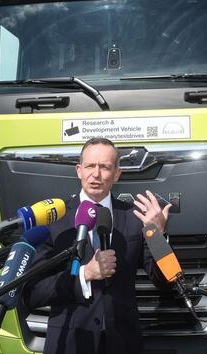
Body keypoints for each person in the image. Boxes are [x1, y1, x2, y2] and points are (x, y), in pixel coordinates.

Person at [23, 137, 172, 354]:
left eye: (105, 167)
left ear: (117, 174)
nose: (96, 174)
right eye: (90, 166)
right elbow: (32, 293)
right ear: (79, 170)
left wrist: (158, 236)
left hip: (124, 343)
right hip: (69, 343)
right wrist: (85, 274)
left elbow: (166, 281)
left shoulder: (134, 217)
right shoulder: (54, 220)